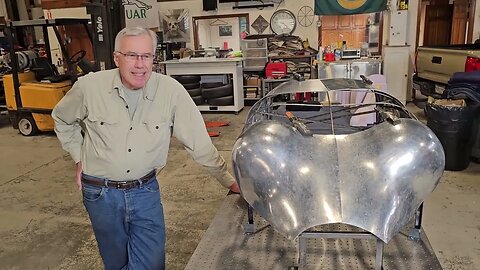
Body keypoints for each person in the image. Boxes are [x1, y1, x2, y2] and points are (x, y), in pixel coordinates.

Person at [52, 27, 240, 270]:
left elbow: (199, 144)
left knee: (151, 263)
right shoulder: (89, 88)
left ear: (154, 58)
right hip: (101, 194)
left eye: (146, 56)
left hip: (145, 192)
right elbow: (62, 119)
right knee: (115, 262)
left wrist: (228, 180)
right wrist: (79, 157)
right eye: (132, 55)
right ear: (116, 57)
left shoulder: (171, 92)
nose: (140, 64)